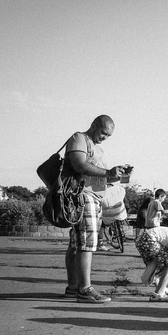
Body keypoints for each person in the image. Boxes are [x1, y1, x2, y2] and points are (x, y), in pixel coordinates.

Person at [63, 115, 127, 303]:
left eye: (108, 136)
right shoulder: (79, 138)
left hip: (93, 197)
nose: (104, 138)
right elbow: (79, 165)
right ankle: (85, 289)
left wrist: (114, 175)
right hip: (84, 196)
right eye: (103, 133)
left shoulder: (97, 148)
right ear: (94, 126)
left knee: (76, 244)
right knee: (87, 243)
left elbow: (97, 174)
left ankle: (73, 287)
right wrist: (108, 173)